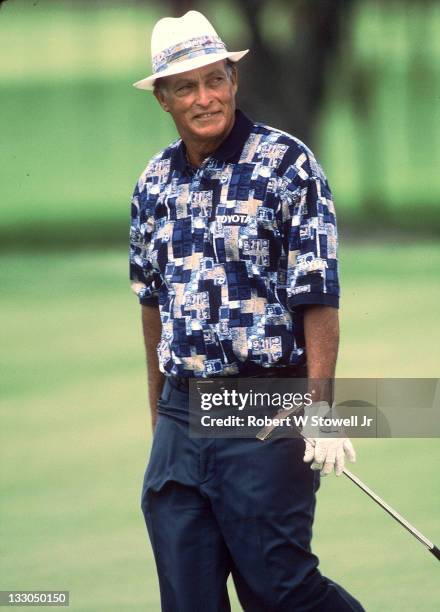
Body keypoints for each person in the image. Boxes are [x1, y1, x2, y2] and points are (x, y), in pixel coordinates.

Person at [129, 10, 364, 612]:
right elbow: (151, 307)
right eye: (186, 86)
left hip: (263, 406)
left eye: (215, 79)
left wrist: (323, 411)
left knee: (280, 593)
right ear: (163, 98)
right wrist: (161, 420)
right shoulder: (153, 184)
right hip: (182, 415)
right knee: (187, 598)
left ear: (234, 80)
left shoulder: (287, 166)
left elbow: (319, 298)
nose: (205, 97)